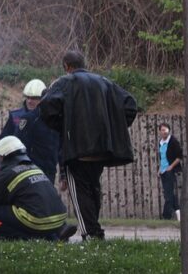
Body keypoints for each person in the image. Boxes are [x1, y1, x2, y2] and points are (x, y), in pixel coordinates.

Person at [38, 50, 138, 240]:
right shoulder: (104, 82)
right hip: (102, 149)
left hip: (78, 149)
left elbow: (46, 106)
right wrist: (113, 127)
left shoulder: (65, 82)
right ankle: (95, 231)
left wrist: (63, 126)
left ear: (67, 67)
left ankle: (90, 234)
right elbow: (130, 105)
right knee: (93, 190)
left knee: (80, 193)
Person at [0, 136, 77, 241]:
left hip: (37, 220)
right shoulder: (34, 167)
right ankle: (52, 236)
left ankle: (22, 239)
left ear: (4, 157)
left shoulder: (6, 173)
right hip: (59, 217)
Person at [0, 79, 60, 183]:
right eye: (27, 97)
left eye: (34, 98)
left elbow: (57, 145)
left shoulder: (51, 118)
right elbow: (4, 140)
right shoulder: (15, 116)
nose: (29, 101)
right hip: (21, 169)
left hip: (46, 169)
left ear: (43, 99)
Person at [157, 123, 183, 221]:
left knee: (168, 195)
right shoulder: (160, 142)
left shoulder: (173, 141)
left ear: (169, 130)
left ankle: (166, 216)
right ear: (160, 132)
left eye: (165, 130)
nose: (164, 132)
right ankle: (178, 212)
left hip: (170, 171)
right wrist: (160, 169)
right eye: (162, 130)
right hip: (163, 172)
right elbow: (162, 157)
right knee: (169, 194)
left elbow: (179, 157)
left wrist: (171, 167)